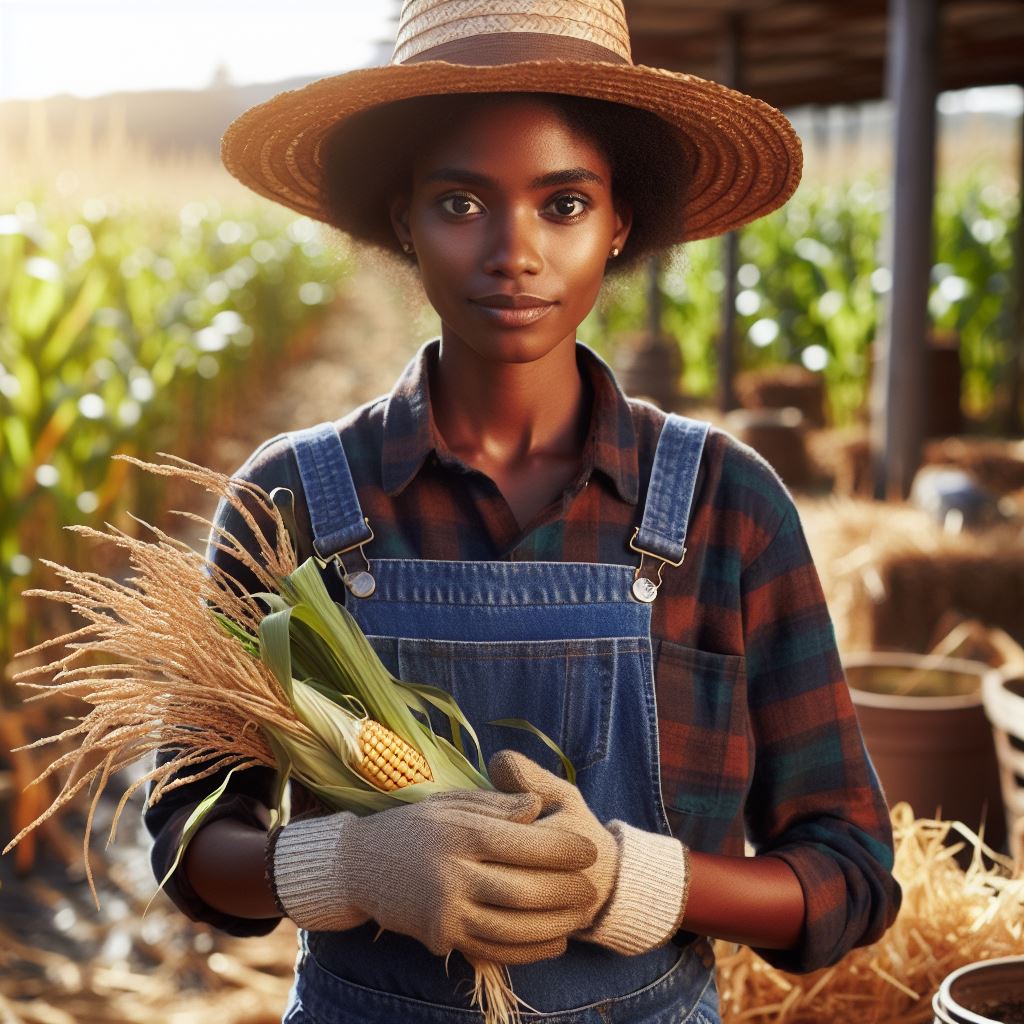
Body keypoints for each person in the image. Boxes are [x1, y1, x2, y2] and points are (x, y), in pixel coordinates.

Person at [143, 2, 902, 1021]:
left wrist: (630, 881)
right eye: (461, 203)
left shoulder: (727, 508)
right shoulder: (290, 504)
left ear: (619, 220)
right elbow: (191, 841)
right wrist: (353, 863)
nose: (515, 252)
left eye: (563, 204)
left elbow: (849, 875)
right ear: (402, 216)